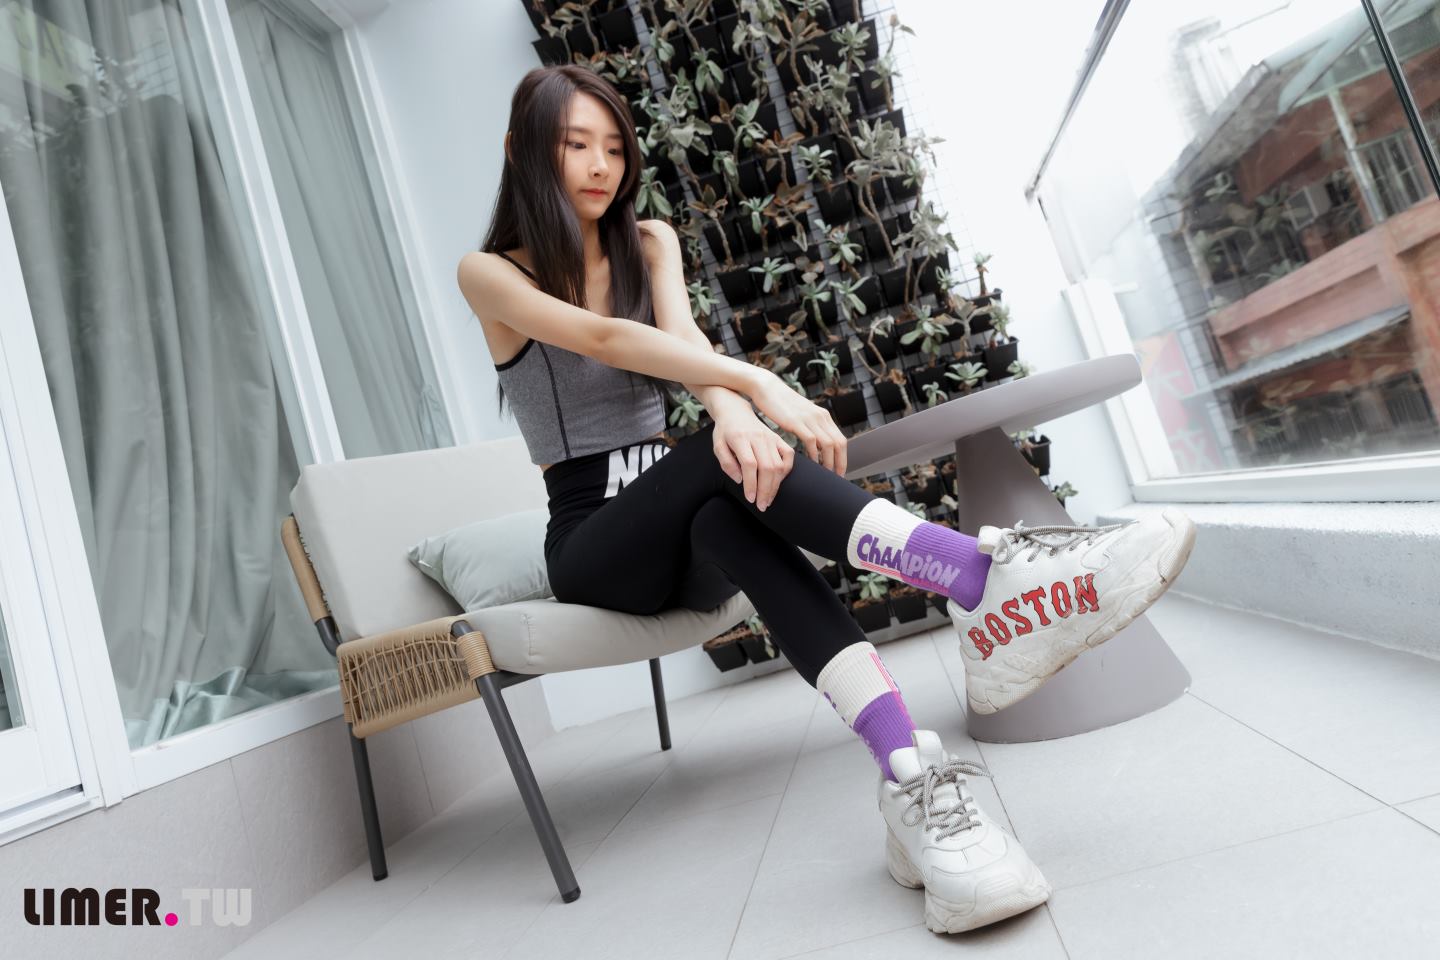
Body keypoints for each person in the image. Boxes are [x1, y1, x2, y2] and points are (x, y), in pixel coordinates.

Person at [456, 64, 1197, 935]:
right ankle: (975, 578)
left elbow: (684, 343)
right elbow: (605, 337)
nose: (599, 166)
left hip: (688, 530)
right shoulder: (488, 273)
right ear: (521, 151)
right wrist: (762, 386)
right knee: (711, 467)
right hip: (596, 549)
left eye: (615, 148)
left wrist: (737, 412)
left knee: (724, 503)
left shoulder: (647, 242)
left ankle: (908, 775)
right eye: (575, 144)